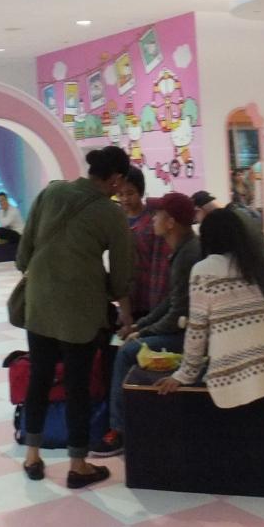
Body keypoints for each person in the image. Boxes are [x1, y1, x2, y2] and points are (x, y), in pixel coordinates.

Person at [17, 145, 134, 489]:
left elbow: (24, 253)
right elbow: (122, 272)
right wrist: (117, 300)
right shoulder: (111, 213)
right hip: (80, 310)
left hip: (40, 303)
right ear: (116, 179)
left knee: (40, 377)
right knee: (77, 385)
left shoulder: (51, 192)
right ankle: (78, 465)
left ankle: (32, 456)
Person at [154, 208, 264, 408]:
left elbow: (197, 330)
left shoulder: (204, 270)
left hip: (234, 375)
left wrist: (184, 374)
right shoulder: (260, 267)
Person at [92, 192, 201, 457]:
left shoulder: (187, 255)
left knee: (127, 352)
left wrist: (142, 332)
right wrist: (140, 325)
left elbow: (177, 314)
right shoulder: (184, 249)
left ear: (171, 222)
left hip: (190, 337)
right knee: (128, 342)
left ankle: (119, 430)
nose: (152, 218)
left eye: (157, 214)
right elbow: (170, 302)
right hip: (187, 330)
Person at [121, 168, 169, 319]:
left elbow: (160, 262)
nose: (125, 199)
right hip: (128, 295)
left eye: (130, 193)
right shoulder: (117, 219)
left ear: (140, 192)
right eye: (120, 194)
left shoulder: (154, 219)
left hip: (151, 293)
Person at [192, 189, 264, 255]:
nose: (198, 221)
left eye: (196, 217)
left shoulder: (226, 226)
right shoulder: (237, 213)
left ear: (199, 210)